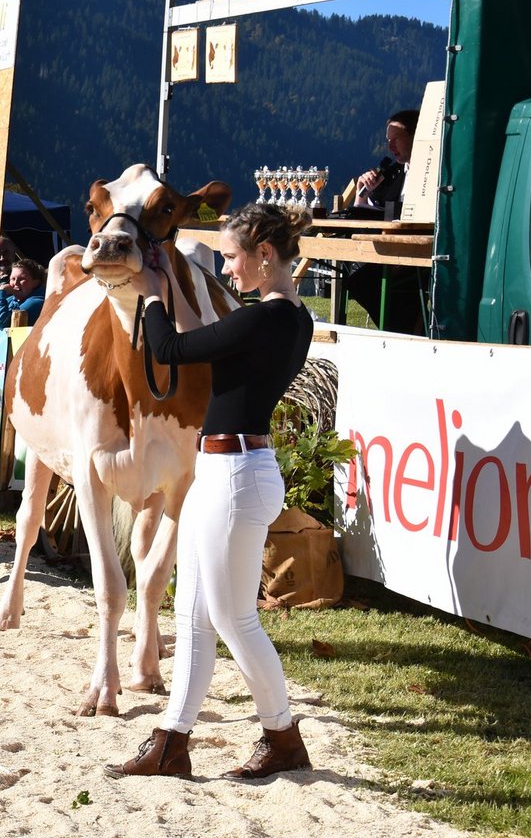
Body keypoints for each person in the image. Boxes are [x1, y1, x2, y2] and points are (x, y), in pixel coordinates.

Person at [107, 202, 316, 782]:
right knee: (195, 616)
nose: (226, 270)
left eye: (231, 258)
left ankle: (283, 736)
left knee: (232, 618)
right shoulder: (284, 318)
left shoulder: (266, 319)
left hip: (236, 474)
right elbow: (198, 337)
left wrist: (152, 296)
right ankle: (171, 742)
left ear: (264, 255)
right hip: (226, 469)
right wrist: (168, 283)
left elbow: (170, 350)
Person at [345, 108, 427, 334]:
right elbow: (366, 212)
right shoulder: (393, 173)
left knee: (363, 281)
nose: (390, 147)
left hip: (419, 252)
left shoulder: (431, 174)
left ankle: (401, 332)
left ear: (415, 137)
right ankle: (403, 331)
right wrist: (362, 192)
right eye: (388, 140)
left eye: (396, 139)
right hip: (391, 251)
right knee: (356, 279)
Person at [0, 258, 47, 328]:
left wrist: (0, 293)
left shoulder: (37, 302)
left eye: (22, 279)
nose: (15, 283)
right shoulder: (10, 300)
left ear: (35, 283)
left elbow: (0, 322)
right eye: (13, 279)